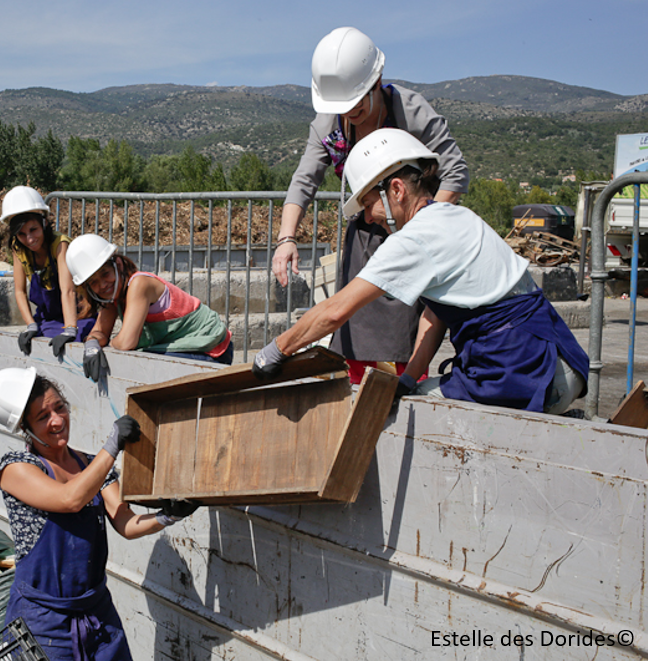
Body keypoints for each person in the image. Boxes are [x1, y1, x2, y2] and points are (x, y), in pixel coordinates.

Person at [254, 129, 588, 415]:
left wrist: (276, 351)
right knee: (411, 393)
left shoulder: (414, 239)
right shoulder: (455, 215)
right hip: (558, 362)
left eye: (368, 203)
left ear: (396, 190)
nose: (368, 218)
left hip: (523, 375)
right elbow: (436, 312)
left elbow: (335, 310)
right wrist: (409, 379)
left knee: (406, 414)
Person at [272, 27, 470, 383]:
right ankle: (358, 392)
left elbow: (455, 172)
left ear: (376, 81)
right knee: (353, 327)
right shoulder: (328, 125)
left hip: (415, 229)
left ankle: (401, 392)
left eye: (357, 103)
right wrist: (286, 238)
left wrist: (424, 228)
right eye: (341, 107)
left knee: (404, 336)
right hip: (366, 232)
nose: (350, 113)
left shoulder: (410, 111)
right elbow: (304, 180)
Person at [0, 367, 198, 661]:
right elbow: (70, 499)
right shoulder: (16, 468)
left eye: (59, 408)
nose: (57, 421)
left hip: (97, 613)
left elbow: (125, 522)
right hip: (44, 622)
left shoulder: (90, 465)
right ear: (26, 428)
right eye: (43, 417)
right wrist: (112, 446)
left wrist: (168, 516)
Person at [64, 233, 234, 383]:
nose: (102, 284)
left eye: (105, 274)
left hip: (212, 351)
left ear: (118, 265)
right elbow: (99, 332)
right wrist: (92, 345)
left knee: (138, 361)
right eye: (93, 282)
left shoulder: (140, 284)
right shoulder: (112, 296)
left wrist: (109, 345)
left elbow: (125, 343)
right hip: (189, 348)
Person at [4, 186, 96, 359]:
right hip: (49, 316)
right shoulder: (18, 249)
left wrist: (70, 329)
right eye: (22, 234)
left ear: (44, 223)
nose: (29, 239)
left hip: (78, 314)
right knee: (39, 338)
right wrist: (30, 324)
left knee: (76, 341)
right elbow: (19, 291)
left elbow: (67, 290)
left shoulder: (59, 245)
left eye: (33, 230)